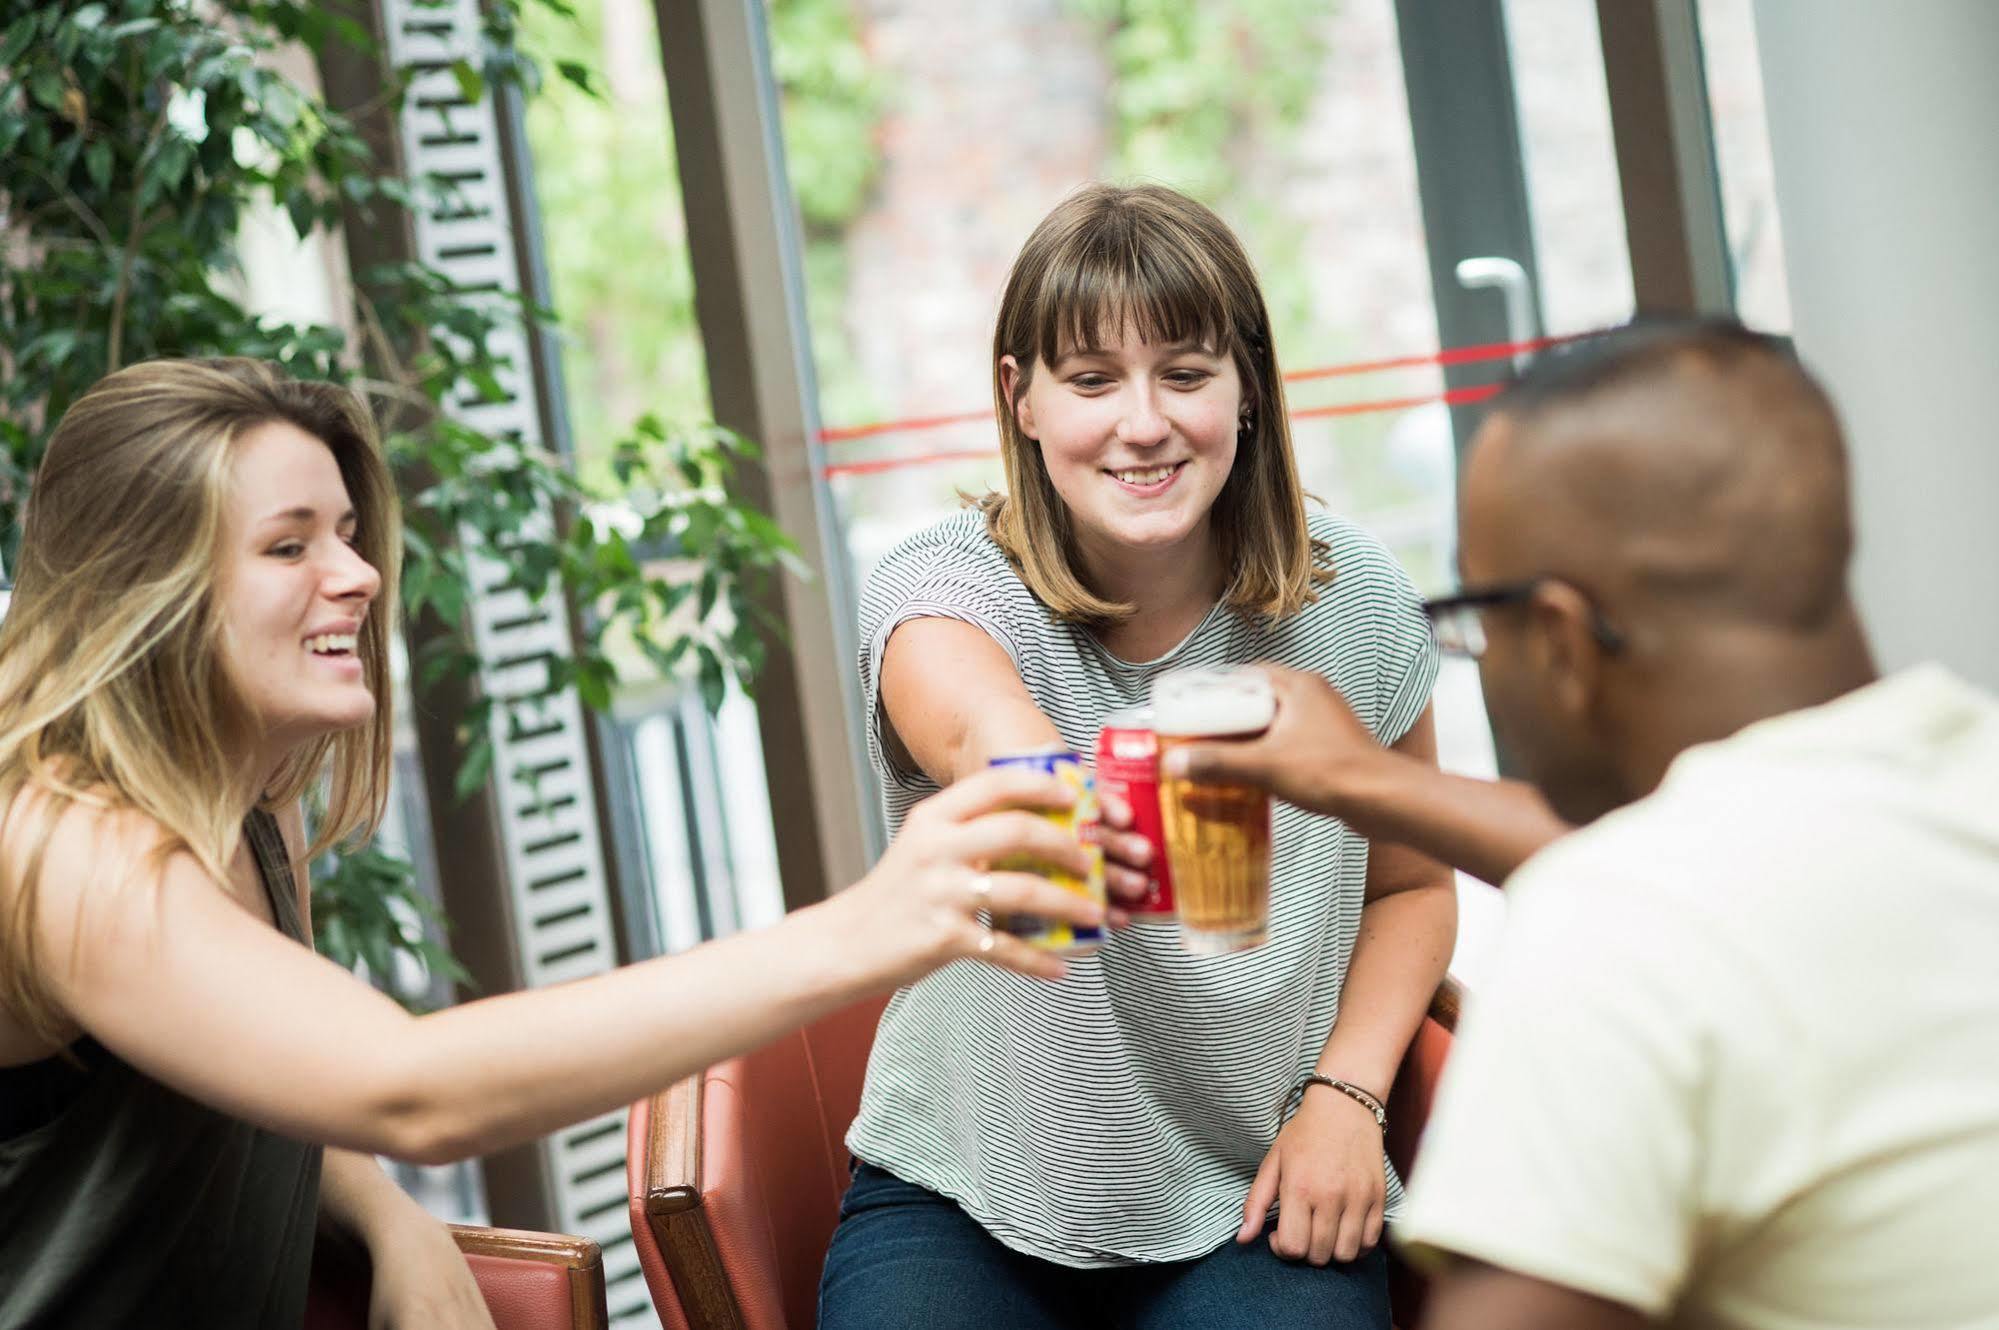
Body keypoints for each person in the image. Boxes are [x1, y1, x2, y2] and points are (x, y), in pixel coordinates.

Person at [0, 358, 1114, 1329]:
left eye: (344, 532)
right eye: (288, 545)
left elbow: (260, 1056)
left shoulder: (249, 795)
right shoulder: (66, 850)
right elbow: (410, 1088)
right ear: (146, 595)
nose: (359, 574)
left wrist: (390, 1220)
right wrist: (870, 926)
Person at [1171, 319, 1999, 1328]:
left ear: (1559, 640)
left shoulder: (1616, 934)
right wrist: (1356, 778)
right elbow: (1745, 867)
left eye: (1477, 616)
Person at [817, 183, 1455, 1330]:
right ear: (1020, 398)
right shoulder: (946, 578)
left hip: (1250, 1189)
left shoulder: (1356, 600)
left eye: (1185, 372)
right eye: (1092, 379)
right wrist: (1034, 778)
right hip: (968, 1195)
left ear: (1248, 385)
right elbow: (970, 718)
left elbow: (1411, 886)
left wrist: (1346, 1098)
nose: (1142, 422)